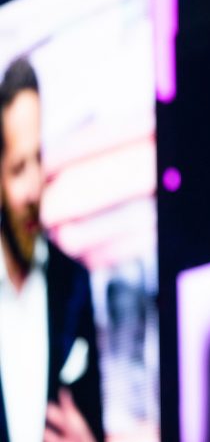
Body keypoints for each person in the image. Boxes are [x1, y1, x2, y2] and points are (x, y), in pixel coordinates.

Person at [0, 58, 103, 441]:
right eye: (16, 168)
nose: (32, 188)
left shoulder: (73, 284)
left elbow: (93, 416)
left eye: (37, 159)